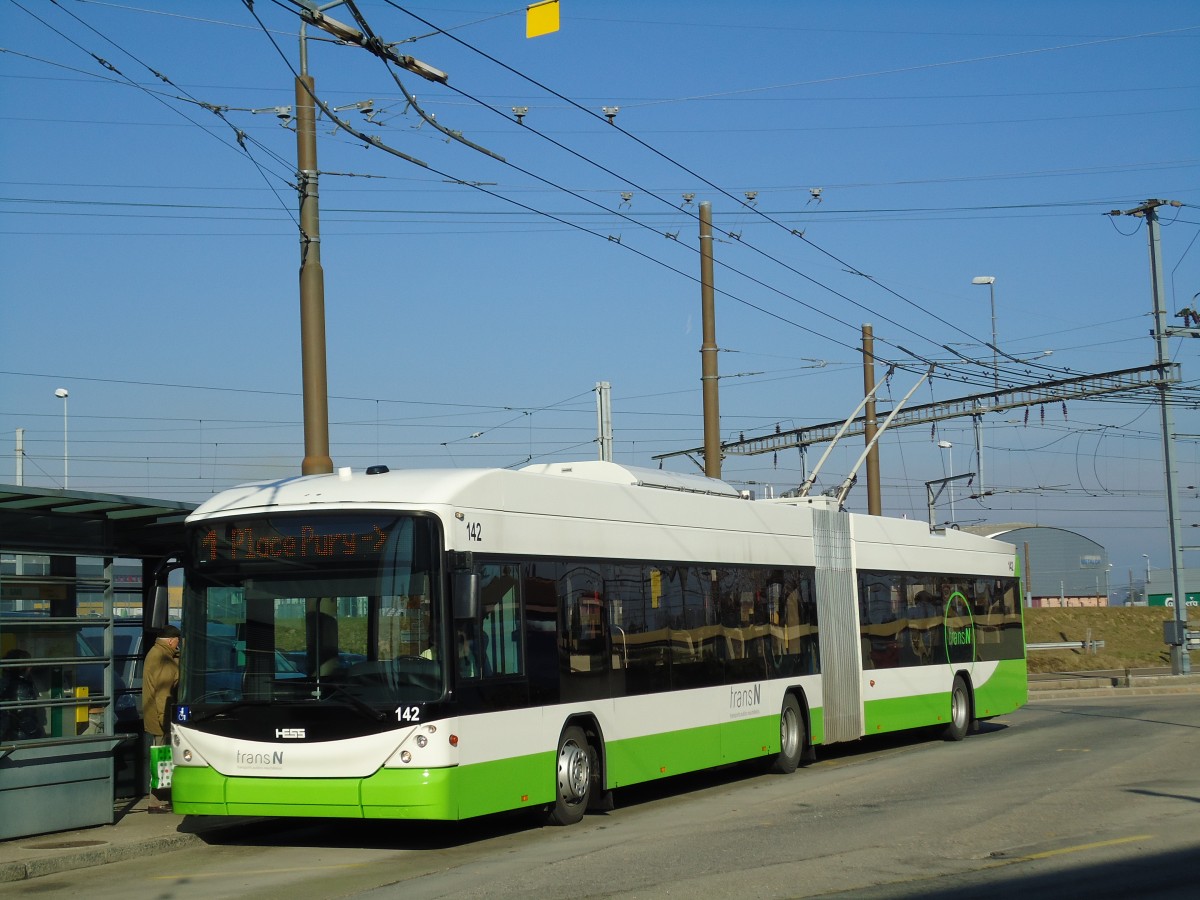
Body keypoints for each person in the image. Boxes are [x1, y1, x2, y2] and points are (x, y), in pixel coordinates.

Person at [142, 624, 180, 813]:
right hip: (162, 717)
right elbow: (163, 693)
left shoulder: (156, 652)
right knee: (163, 760)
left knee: (162, 760)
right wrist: (165, 720)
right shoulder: (164, 658)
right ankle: (156, 802)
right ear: (172, 640)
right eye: (177, 642)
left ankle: (160, 800)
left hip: (156, 715)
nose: (178, 646)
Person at [0, 648, 45, 741]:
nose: (31, 666)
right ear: (22, 666)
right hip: (21, 736)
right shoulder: (21, 686)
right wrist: (36, 733)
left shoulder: (5, 681)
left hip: (9, 734)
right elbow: (24, 715)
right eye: (29, 663)